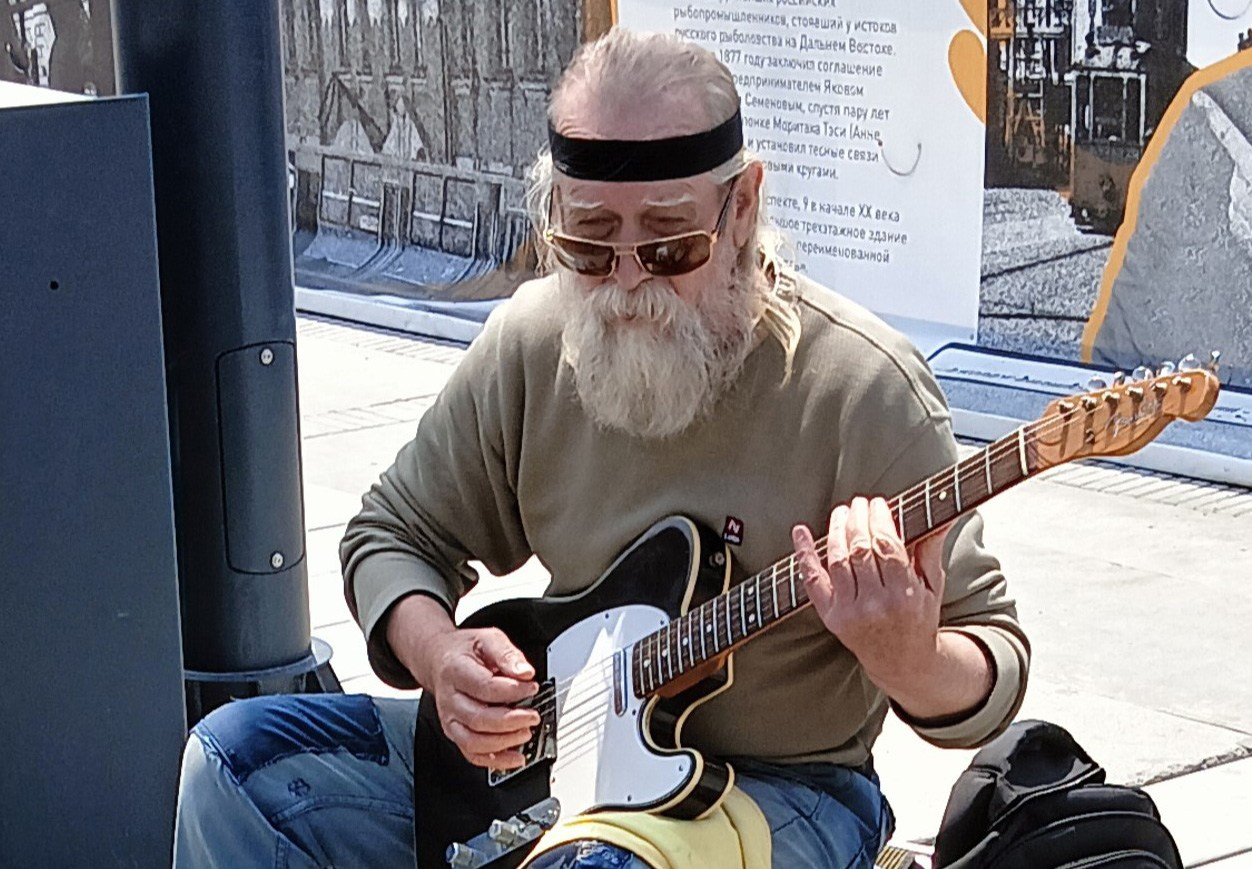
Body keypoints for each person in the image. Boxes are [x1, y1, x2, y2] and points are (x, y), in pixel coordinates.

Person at [173, 27, 1030, 869]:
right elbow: (391, 532)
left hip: (786, 788)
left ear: (743, 208)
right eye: (588, 244)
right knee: (236, 761)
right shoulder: (534, 341)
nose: (626, 284)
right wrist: (441, 657)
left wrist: (908, 655)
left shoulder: (860, 388)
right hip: (554, 758)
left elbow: (989, 666)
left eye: (669, 242)